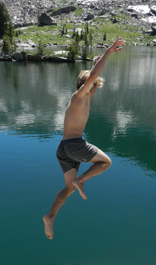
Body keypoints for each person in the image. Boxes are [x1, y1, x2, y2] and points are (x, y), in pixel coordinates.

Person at [43, 38, 126, 239]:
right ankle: (81, 180)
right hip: (73, 145)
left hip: (63, 149)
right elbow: (94, 77)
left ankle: (50, 216)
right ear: (88, 86)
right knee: (106, 162)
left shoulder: (81, 99)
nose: (95, 90)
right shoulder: (79, 96)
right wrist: (107, 52)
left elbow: (93, 74)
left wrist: (94, 63)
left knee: (67, 189)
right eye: (94, 87)